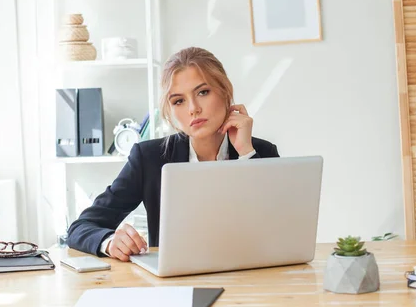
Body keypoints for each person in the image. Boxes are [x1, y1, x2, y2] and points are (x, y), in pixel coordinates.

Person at [66, 47, 279, 261]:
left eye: (203, 92)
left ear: (225, 92)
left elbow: (281, 228)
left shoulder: (260, 153)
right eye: (179, 101)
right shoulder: (149, 157)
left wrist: (246, 155)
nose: (193, 109)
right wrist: (111, 242)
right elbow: (80, 228)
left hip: (250, 277)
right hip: (176, 282)